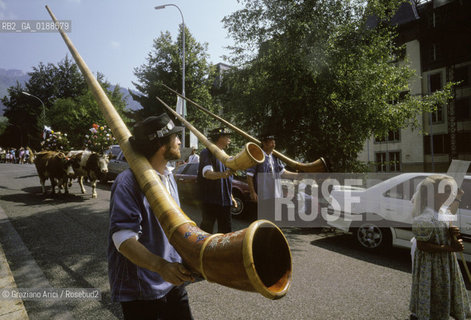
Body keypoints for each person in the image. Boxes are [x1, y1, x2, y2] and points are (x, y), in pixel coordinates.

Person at [108, 113, 194, 320]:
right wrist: (161, 266)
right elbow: (123, 240)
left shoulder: (168, 175)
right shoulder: (127, 182)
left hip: (173, 280)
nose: (180, 141)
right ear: (161, 145)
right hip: (142, 290)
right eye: (175, 137)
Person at [409, 174, 470, 320]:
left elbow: (444, 226)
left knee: (442, 288)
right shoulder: (424, 218)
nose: (453, 195)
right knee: (433, 288)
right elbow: (423, 246)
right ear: (436, 195)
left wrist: (451, 232)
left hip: (443, 260)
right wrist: (450, 249)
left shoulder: (442, 212)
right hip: (430, 262)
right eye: (449, 191)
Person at [197, 127, 236, 233]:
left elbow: (227, 180)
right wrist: (223, 174)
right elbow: (207, 173)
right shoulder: (207, 152)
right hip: (211, 201)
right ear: (219, 138)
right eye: (226, 136)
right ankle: (202, 249)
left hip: (225, 202)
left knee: (226, 233)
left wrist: (231, 196)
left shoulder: (226, 156)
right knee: (206, 231)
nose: (229, 138)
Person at [246, 133, 300, 202]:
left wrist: (298, 175)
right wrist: (252, 192)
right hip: (263, 196)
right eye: (270, 141)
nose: (273, 142)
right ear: (264, 143)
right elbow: (249, 176)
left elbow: (283, 173)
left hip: (276, 195)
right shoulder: (257, 156)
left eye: (273, 140)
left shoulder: (275, 157)